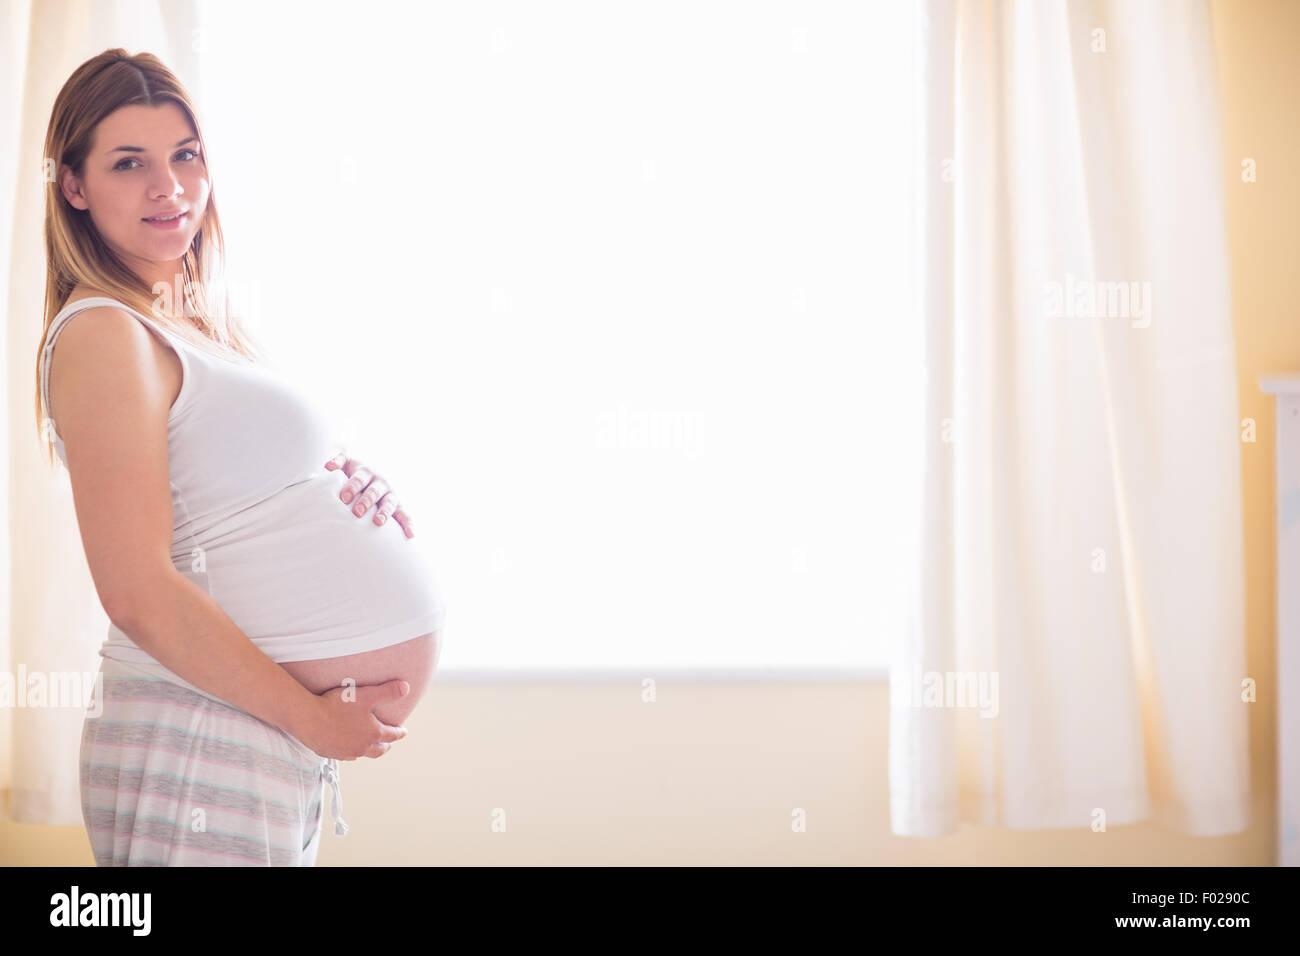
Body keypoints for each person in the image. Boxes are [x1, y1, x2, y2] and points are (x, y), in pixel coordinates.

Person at [36, 49, 447, 866]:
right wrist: (313, 718)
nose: (170, 187)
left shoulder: (192, 324)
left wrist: (342, 484)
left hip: (243, 734)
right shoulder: (103, 334)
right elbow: (137, 593)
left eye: (185, 155)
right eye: (130, 164)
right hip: (195, 730)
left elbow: (235, 500)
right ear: (73, 186)